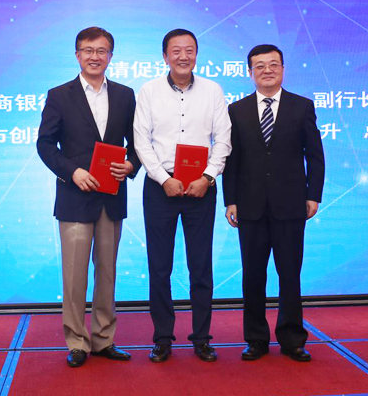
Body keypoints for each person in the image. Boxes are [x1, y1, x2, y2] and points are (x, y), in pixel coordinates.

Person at [37, 27, 140, 368]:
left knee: (107, 273)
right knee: (74, 275)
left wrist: (132, 164)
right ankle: (77, 342)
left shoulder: (125, 95)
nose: (95, 56)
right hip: (75, 197)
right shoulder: (59, 95)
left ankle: (104, 339)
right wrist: (72, 172)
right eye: (88, 50)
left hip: (111, 197)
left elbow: (138, 142)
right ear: (77, 55)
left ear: (111, 55)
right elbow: (45, 144)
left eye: (102, 51)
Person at [133, 29, 231, 363]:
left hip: (201, 188)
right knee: (159, 267)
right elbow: (141, 141)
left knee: (200, 267)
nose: (183, 56)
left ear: (197, 55)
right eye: (176, 50)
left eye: (189, 50)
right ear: (165, 56)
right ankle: (162, 338)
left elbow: (223, 139)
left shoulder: (213, 90)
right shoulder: (149, 91)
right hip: (160, 188)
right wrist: (163, 178)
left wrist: (208, 177)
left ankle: (202, 338)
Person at [223, 44, 325, 362]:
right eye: (260, 65)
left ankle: (292, 339)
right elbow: (232, 160)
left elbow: (315, 156)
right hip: (250, 206)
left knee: (289, 275)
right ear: (249, 72)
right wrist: (230, 200)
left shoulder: (302, 106)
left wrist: (313, 194)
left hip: (291, 205)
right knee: (253, 276)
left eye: (273, 64)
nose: (267, 70)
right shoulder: (236, 110)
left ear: (282, 69)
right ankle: (256, 339)